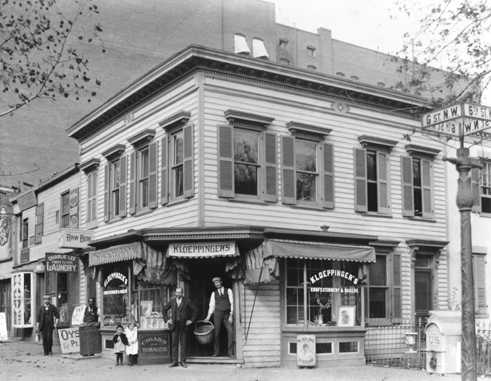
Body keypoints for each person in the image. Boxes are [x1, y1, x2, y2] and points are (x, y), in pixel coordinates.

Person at [164, 287, 197, 368]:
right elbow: (164, 309)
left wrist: (191, 320)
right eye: (177, 292)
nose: (178, 294)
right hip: (174, 325)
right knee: (174, 343)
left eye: (179, 292)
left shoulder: (187, 301)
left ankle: (182, 361)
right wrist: (167, 320)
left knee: (183, 343)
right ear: (175, 293)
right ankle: (175, 361)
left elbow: (195, 310)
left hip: (183, 325)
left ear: (182, 293)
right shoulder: (172, 300)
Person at [204, 277, 234, 357]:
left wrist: (231, 315)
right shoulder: (214, 293)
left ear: (221, 282)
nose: (217, 284)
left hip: (227, 314)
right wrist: (208, 316)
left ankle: (230, 352)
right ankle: (216, 352)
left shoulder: (228, 290)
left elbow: (232, 303)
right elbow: (212, 305)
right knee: (216, 333)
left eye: (218, 282)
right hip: (217, 314)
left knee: (230, 332)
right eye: (215, 283)